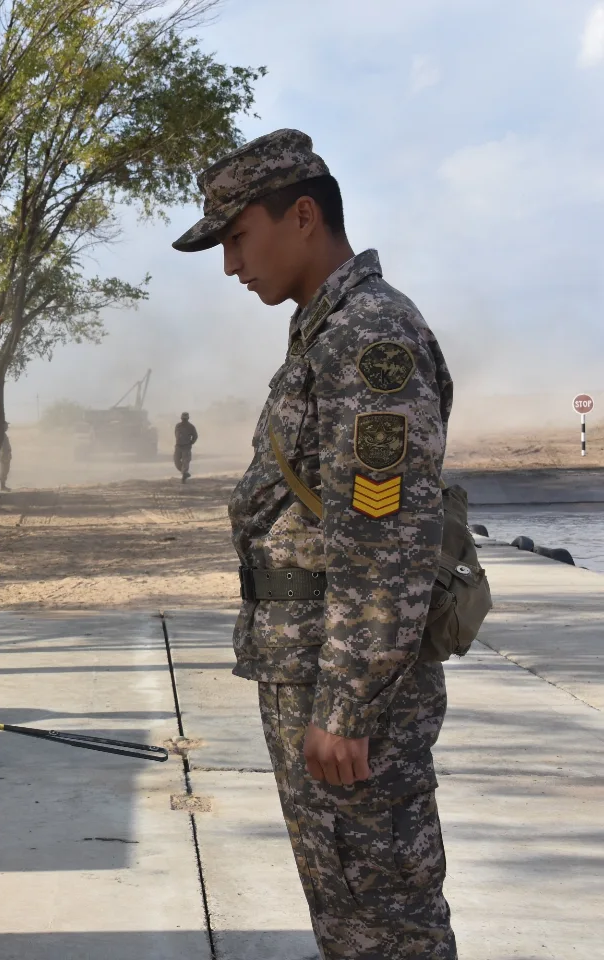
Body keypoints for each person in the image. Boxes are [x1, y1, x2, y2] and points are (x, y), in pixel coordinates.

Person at [173, 128, 456, 959]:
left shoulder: (368, 338)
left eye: (237, 238)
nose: (231, 266)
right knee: (349, 912)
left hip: (350, 693)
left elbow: (388, 540)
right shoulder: (323, 332)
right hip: (315, 672)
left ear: (302, 215)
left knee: (386, 924)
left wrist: (347, 704)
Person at [173, 413, 198, 482]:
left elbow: (195, 436)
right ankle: (185, 472)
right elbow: (176, 434)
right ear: (181, 418)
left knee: (185, 461)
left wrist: (191, 442)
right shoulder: (178, 426)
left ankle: (184, 475)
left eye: (185, 419)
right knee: (176, 461)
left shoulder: (191, 427)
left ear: (187, 419)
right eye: (183, 418)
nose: (184, 420)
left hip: (186, 447)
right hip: (178, 446)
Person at [0, 422, 13, 492]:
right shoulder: (1, 435)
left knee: (5, 470)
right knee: (4, 470)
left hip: (5, 454)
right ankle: (2, 486)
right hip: (4, 455)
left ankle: (3, 486)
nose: (7, 427)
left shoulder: (3, 434)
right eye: (6, 426)